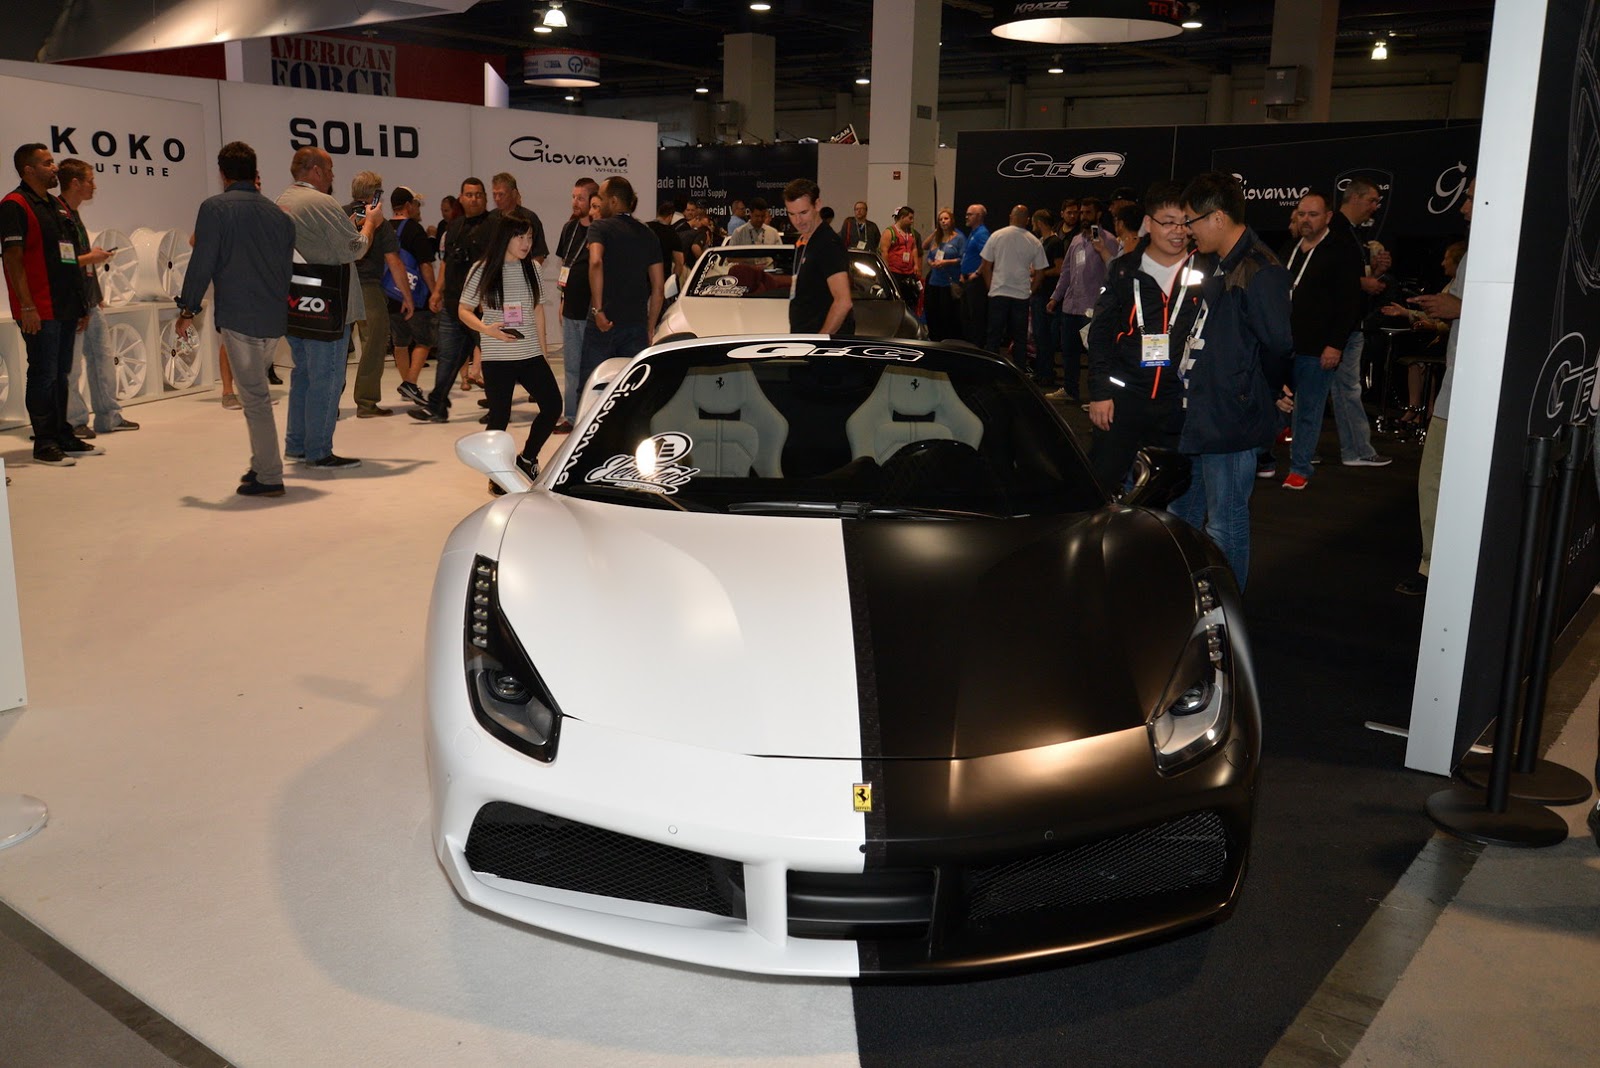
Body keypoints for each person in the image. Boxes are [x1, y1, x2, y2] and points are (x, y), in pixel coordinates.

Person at [1167, 171, 1294, 589]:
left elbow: (1278, 345)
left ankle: (1229, 606)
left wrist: (1264, 394)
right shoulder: (1223, 262)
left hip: (1231, 415)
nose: (1187, 230)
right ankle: (1195, 597)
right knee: (1187, 514)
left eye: (1191, 220)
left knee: (1225, 522)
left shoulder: (1260, 269)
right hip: (1206, 410)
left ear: (1217, 218)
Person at [176, 141, 296, 496]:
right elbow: (286, 269)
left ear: (222, 174)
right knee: (256, 391)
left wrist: (188, 309)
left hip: (240, 315)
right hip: (273, 316)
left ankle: (270, 475)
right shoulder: (279, 215)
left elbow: (202, 262)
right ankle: (261, 465)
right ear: (254, 172)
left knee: (255, 396)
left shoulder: (214, 208)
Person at [1084, 182, 1201, 493]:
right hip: (1124, 397)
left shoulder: (1205, 270)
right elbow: (1100, 336)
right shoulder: (1124, 270)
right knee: (1101, 483)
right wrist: (1099, 393)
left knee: (1166, 491)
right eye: (1169, 222)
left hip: (1176, 402)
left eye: (1185, 223)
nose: (1179, 231)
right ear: (1149, 223)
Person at [276, 147, 381, 468]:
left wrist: (347, 226)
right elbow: (355, 248)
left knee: (304, 376)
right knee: (327, 378)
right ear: (317, 170)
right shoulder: (321, 202)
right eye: (330, 169)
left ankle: (297, 445)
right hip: (328, 306)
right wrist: (370, 224)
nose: (333, 175)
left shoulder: (284, 199)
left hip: (298, 303)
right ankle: (319, 451)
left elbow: (319, 243)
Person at [1393, 181, 1473, 597]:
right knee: (1433, 481)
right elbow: (1454, 313)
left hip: (1491, 398)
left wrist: (1459, 308)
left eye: (1471, 197)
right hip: (1454, 392)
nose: (1463, 206)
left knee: (1465, 486)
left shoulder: (1519, 253)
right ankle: (1433, 566)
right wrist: (1438, 311)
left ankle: (1463, 569)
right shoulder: (1472, 256)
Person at [2, 143, 98, 466]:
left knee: (61, 373)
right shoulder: (14, 205)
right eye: (47, 163)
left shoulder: (57, 205)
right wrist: (27, 306)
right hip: (39, 308)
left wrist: (80, 304)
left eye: (53, 161)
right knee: (44, 374)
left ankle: (62, 434)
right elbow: (12, 260)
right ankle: (44, 442)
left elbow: (68, 257)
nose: (55, 167)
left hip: (65, 305)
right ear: (28, 170)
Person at [455, 214, 559, 493]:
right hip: (498, 356)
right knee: (499, 417)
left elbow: (537, 310)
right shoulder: (483, 269)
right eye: (520, 237)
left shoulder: (533, 268)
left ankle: (527, 459)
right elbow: (463, 310)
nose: (527, 244)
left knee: (552, 406)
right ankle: (497, 473)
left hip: (530, 353)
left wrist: (544, 352)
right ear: (505, 238)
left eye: (530, 238)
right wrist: (486, 329)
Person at [1278, 192, 1366, 490]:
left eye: (1313, 214)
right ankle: (1265, 459)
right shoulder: (1290, 248)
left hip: (1318, 348)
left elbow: (1350, 304)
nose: (1306, 220)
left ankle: (1300, 468)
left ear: (1328, 217)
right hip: (1283, 343)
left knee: (1308, 409)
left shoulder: (1341, 250)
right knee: (1271, 401)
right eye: (1301, 214)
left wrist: (1335, 345)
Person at [57, 158, 137, 437]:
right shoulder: (59, 215)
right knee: (72, 368)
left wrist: (96, 293)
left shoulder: (73, 214)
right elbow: (63, 262)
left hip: (89, 300)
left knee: (102, 360)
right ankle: (75, 421)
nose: (94, 186)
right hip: (72, 303)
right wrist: (92, 258)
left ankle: (109, 416)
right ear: (75, 183)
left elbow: (78, 261)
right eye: (90, 180)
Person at [1324, 177, 1393, 468]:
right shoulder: (1334, 230)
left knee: (1340, 390)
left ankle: (1353, 450)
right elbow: (1324, 276)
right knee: (1328, 390)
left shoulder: (1353, 234)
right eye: (1371, 200)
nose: (1375, 207)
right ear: (1354, 197)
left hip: (1348, 324)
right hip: (1334, 326)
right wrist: (1363, 282)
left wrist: (1374, 273)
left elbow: (1352, 280)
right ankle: (1354, 450)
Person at [412, 176, 493, 422]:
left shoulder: (493, 225)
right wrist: (437, 291)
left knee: (493, 359)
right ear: (461, 198)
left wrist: (487, 297)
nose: (474, 199)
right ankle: (436, 406)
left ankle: (499, 408)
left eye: (478, 195)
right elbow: (446, 263)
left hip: (480, 307)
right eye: (469, 194)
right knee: (447, 356)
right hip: (453, 304)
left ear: (485, 198)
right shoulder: (454, 226)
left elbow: (495, 264)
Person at [581, 176, 664, 388]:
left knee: (594, 387)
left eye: (601, 198)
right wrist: (650, 327)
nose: (598, 202)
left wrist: (598, 310)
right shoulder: (648, 234)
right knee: (632, 389)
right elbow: (658, 288)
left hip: (603, 325)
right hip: (636, 325)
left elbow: (596, 261)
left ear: (614, 201)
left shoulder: (599, 228)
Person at [343, 170, 412, 418]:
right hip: (368, 288)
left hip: (340, 286)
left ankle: (328, 403)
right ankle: (366, 402)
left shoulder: (340, 213)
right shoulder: (379, 220)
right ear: (375, 194)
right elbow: (394, 261)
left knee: (336, 348)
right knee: (373, 344)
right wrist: (407, 296)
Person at [1049, 198, 1118, 401]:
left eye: (1088, 213)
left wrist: (1102, 249)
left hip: (1093, 307)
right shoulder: (1076, 240)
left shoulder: (1109, 240)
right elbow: (1066, 271)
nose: (1083, 217)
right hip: (1071, 306)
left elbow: (1115, 271)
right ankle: (1070, 390)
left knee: (1095, 355)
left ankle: (1097, 396)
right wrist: (1055, 297)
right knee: (1069, 352)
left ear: (1098, 214)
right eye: (1081, 213)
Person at [553, 177, 599, 431]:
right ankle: (570, 417)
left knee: (591, 368)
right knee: (571, 367)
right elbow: (565, 265)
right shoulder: (568, 228)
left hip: (592, 312)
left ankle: (590, 417)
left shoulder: (601, 231)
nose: (575, 202)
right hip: (571, 308)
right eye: (573, 197)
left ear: (593, 200)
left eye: (580, 198)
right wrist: (562, 299)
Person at [387, 186, 437, 409]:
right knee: (424, 340)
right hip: (414, 295)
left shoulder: (383, 227)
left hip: (390, 294)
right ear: (408, 205)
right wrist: (434, 292)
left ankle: (407, 383)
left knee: (400, 342)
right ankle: (410, 382)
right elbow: (425, 264)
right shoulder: (414, 229)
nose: (418, 208)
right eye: (416, 204)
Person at [783, 178, 854, 334]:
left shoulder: (828, 244)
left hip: (821, 343)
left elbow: (843, 302)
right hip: (804, 337)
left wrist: (820, 341)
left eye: (803, 212)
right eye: (792, 214)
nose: (798, 221)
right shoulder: (804, 241)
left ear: (817, 205)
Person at [980, 203, 1046, 363]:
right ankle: (1018, 372)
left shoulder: (997, 236)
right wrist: (1030, 291)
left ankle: (991, 370)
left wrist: (991, 287)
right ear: (1027, 220)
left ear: (1011, 217)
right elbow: (1040, 273)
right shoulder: (1034, 241)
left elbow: (986, 267)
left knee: (994, 336)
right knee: (1020, 338)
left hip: (998, 292)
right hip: (1021, 295)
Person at [1029, 208, 1064, 388]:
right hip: (1039, 293)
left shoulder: (1055, 242)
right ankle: (1040, 371)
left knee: (1044, 336)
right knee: (1039, 335)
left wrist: (1041, 273)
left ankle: (1046, 374)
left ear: (1039, 223)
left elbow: (1059, 268)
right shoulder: (1043, 242)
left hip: (1046, 295)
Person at [922, 206, 966, 342]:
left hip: (949, 282)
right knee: (933, 312)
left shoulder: (959, 238)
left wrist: (947, 262)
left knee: (947, 314)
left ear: (951, 220)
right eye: (941, 219)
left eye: (946, 218)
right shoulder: (937, 238)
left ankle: (948, 340)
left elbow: (962, 258)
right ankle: (934, 339)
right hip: (934, 281)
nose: (943, 221)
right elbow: (929, 254)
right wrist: (931, 262)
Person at [487, 172, 549, 264]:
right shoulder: (490, 218)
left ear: (514, 193)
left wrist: (527, 271)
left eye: (501, 194)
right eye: (494, 194)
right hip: (496, 271)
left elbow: (539, 255)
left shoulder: (529, 218)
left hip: (522, 270)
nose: (497, 198)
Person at [959, 203, 991, 346]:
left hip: (976, 282)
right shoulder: (973, 233)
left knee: (976, 316)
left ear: (979, 216)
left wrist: (977, 273)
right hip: (967, 280)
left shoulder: (982, 234)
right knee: (967, 316)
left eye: (970, 214)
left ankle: (977, 347)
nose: (966, 217)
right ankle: (969, 345)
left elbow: (988, 256)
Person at [880, 206, 922, 310]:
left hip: (909, 272)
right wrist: (887, 270)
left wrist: (916, 265)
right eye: (910, 218)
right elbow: (884, 251)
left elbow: (914, 248)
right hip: (895, 272)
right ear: (902, 217)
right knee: (896, 299)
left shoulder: (911, 233)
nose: (912, 221)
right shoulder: (889, 232)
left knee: (910, 300)